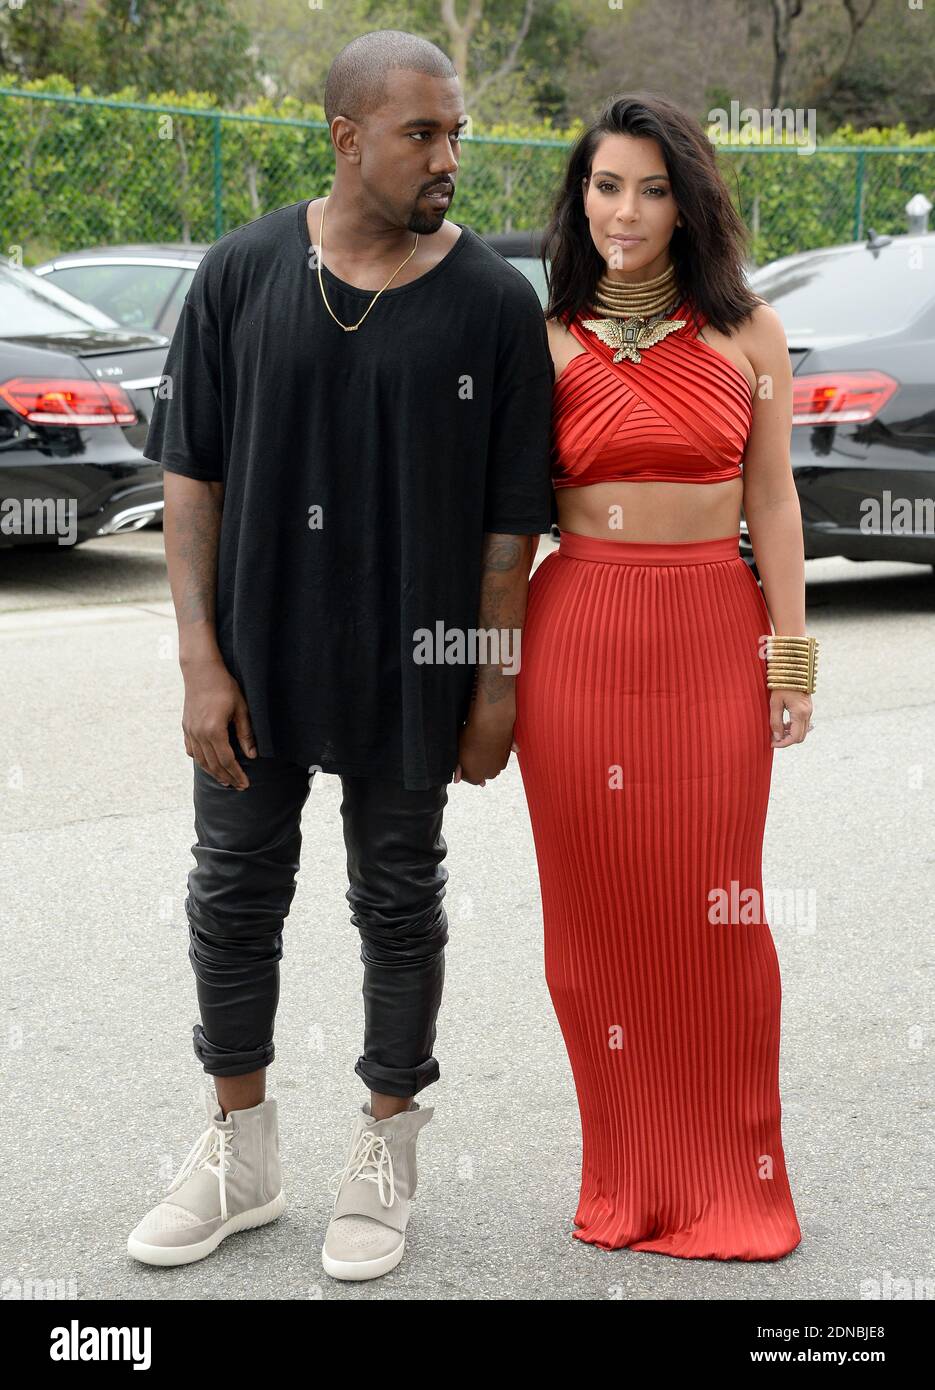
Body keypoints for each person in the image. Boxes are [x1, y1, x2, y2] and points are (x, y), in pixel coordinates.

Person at [127, 30, 553, 1280]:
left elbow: (506, 525)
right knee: (232, 892)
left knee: (398, 897)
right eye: (422, 133)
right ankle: (239, 1151)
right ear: (345, 136)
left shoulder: (488, 302)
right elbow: (189, 477)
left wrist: (491, 685)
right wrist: (200, 661)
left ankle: (383, 1149)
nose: (448, 157)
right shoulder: (244, 270)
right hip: (256, 661)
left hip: (414, 662)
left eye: (456, 133)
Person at [513, 93, 818, 1260]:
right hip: (575, 643)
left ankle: (733, 1182)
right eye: (603, 186)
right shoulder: (538, 338)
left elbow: (774, 501)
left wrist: (786, 656)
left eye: (648, 188)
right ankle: (626, 1177)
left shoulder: (750, 335)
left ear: (687, 202)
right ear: (577, 197)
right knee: (593, 925)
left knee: (716, 914)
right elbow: (502, 525)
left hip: (708, 636)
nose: (624, 210)